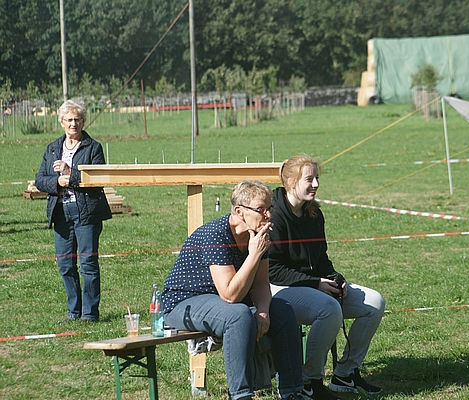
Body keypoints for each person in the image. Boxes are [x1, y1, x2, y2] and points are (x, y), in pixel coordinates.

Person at [163, 180, 308, 400]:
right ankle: (241, 395)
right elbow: (230, 295)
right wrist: (253, 255)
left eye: (270, 208)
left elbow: (261, 284)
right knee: (238, 315)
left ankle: (292, 392)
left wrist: (262, 311)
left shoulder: (259, 234)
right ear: (240, 211)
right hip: (184, 302)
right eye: (261, 209)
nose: (269, 215)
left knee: (283, 310)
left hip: (223, 301)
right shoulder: (215, 234)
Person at [268, 155, 386, 399]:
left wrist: (334, 277)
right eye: (309, 179)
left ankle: (345, 374)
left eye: (317, 178)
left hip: (312, 285)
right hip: (276, 289)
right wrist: (316, 283)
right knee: (329, 309)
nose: (316, 184)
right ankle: (308, 381)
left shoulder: (314, 213)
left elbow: (320, 259)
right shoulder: (274, 215)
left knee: (375, 303)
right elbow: (273, 270)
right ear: (290, 182)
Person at [35, 100, 112, 322]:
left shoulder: (93, 147)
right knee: (65, 264)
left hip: (86, 212)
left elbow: (98, 178)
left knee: (88, 264)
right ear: (61, 122)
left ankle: (90, 313)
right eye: (69, 120)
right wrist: (57, 182)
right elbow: (40, 180)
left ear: (83, 121)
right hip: (61, 212)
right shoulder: (52, 148)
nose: (73, 124)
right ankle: (73, 310)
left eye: (77, 119)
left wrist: (71, 173)